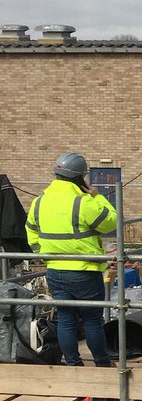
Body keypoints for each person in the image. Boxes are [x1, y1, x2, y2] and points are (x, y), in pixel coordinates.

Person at [25, 152, 117, 368]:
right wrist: (97, 196)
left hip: (55, 271)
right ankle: (102, 364)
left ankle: (74, 365)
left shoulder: (39, 202)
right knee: (93, 319)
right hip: (84, 270)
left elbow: (31, 234)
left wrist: (46, 257)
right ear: (80, 178)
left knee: (66, 318)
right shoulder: (83, 202)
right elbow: (110, 222)